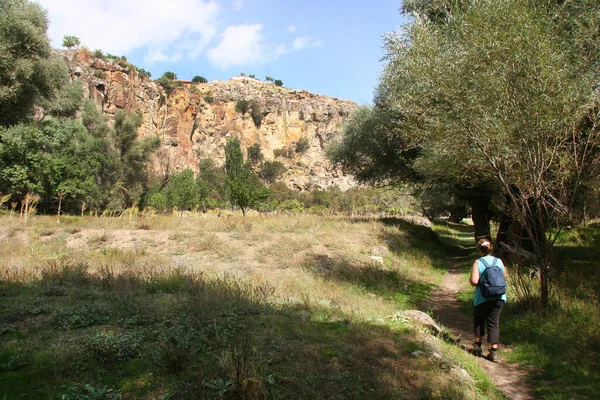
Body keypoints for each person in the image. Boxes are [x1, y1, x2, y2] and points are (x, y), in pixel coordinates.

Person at [470, 238, 508, 362]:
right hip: (499, 297)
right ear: (491, 248)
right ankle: (493, 352)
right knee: (494, 323)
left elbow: (474, 281)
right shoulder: (499, 261)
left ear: (480, 250)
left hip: (482, 298)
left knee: (479, 320)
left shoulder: (478, 262)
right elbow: (505, 277)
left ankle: (478, 347)